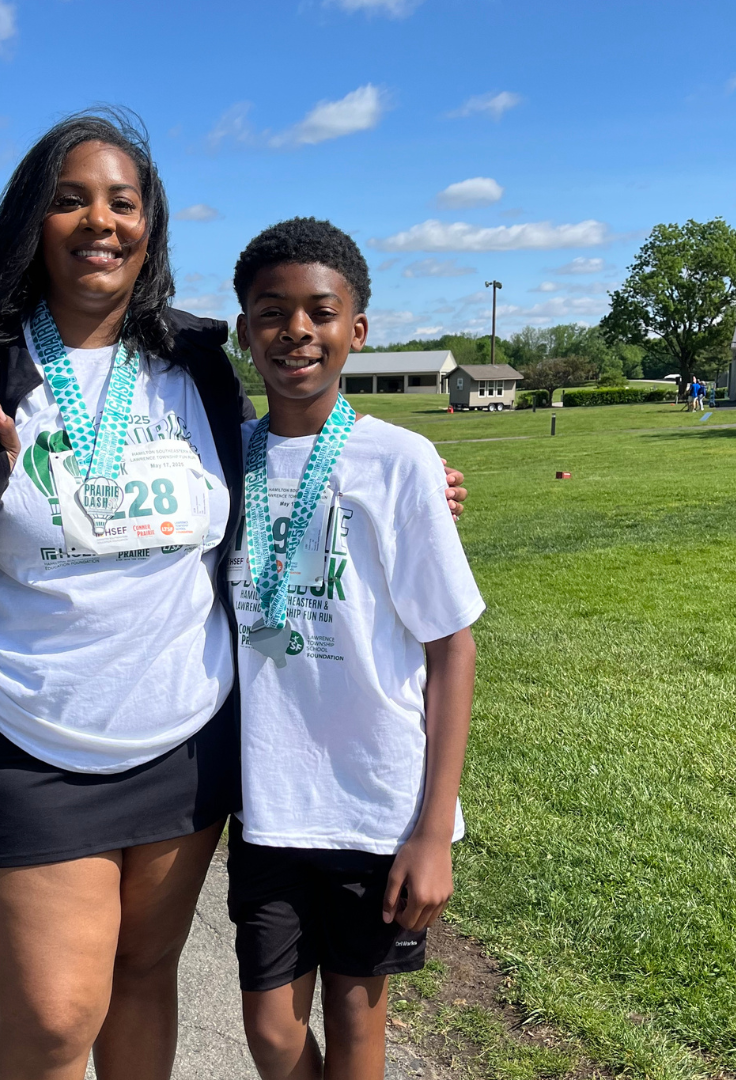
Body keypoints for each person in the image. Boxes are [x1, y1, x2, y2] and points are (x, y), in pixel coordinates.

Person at [0, 111, 468, 1080]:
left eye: (122, 201)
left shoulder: (192, 361)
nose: (99, 221)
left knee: (145, 979)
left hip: (185, 755)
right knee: (58, 1018)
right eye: (70, 200)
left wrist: (416, 482)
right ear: (34, 220)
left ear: (150, 225)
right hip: (32, 750)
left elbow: (290, 452)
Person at [224, 219, 484, 1080]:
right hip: (269, 803)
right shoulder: (227, 463)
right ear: (244, 331)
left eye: (320, 311)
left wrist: (434, 833)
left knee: (358, 1023)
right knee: (270, 1031)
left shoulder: (400, 461)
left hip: (376, 808)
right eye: (271, 312)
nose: (296, 330)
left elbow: (452, 647)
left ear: (356, 330)